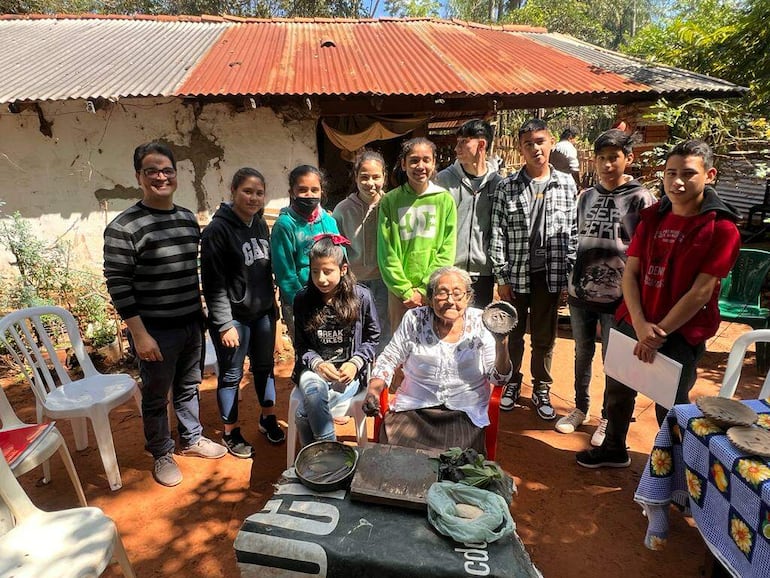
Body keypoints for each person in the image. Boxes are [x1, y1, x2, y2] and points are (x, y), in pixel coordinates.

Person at [576, 140, 741, 469]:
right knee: (618, 390)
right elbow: (631, 272)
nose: (677, 182)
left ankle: (674, 471)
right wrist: (639, 323)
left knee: (672, 406)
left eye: (688, 174)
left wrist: (659, 331)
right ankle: (613, 448)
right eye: (671, 173)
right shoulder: (652, 217)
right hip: (634, 320)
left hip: (680, 332)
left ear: (709, 175)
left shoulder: (721, 228)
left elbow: (700, 292)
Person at [103, 142, 226, 487]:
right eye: (152, 171)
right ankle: (161, 452)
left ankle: (191, 438)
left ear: (176, 174)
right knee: (156, 394)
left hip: (190, 323)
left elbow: (191, 273)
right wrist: (140, 334)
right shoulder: (124, 227)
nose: (161, 177)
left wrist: (201, 316)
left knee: (188, 386)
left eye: (167, 170)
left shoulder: (188, 219)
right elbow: (119, 284)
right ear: (138, 177)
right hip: (155, 329)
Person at [555, 130, 655, 442]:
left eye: (614, 157)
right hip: (581, 292)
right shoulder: (586, 196)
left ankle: (609, 418)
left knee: (615, 360)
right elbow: (575, 238)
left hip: (620, 298)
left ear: (629, 158)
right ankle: (580, 408)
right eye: (601, 158)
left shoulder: (642, 199)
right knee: (581, 352)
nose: (607, 164)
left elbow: (648, 251)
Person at [363, 266, 512, 453]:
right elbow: (389, 358)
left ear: (468, 298)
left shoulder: (482, 322)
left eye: (458, 294)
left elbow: (499, 379)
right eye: (442, 293)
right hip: (414, 409)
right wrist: (373, 391)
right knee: (398, 460)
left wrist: (502, 343)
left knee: (457, 464)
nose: (450, 301)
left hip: (464, 412)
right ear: (431, 298)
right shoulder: (415, 319)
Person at [490, 118, 578, 420]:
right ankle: (513, 383)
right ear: (520, 148)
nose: (535, 148)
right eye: (528, 143)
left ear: (550, 142)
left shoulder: (566, 184)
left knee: (545, 336)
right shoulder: (507, 187)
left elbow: (573, 232)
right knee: (513, 334)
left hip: (550, 275)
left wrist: (567, 276)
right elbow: (497, 232)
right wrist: (501, 275)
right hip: (516, 274)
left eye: (540, 141)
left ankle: (542, 387)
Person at [200, 168, 285, 458]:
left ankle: (267, 418)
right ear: (233, 191)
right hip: (233, 319)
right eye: (247, 191)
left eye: (259, 193)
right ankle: (231, 432)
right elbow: (212, 283)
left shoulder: (260, 224)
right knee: (231, 375)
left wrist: (273, 313)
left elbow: (266, 272)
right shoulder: (216, 231)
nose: (253, 198)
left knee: (264, 368)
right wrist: (224, 324)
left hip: (262, 314)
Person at [292, 235, 380, 447]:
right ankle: (330, 454)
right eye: (315, 272)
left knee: (303, 415)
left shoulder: (361, 298)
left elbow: (373, 337)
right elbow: (302, 345)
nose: (321, 279)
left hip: (346, 375)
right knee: (313, 391)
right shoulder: (303, 300)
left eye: (327, 271)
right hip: (313, 372)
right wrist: (318, 364)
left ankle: (317, 459)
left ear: (343, 269)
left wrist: (355, 363)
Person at [378, 137, 457, 333]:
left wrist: (424, 289)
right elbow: (386, 251)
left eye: (426, 160)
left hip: (434, 290)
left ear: (434, 162)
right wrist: (404, 289)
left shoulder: (444, 200)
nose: (420, 166)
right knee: (401, 346)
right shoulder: (390, 201)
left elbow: (447, 249)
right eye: (413, 160)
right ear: (403, 164)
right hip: (399, 293)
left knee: (433, 345)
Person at [435, 119, 502, 307]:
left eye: (463, 142)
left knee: (478, 326)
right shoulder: (443, 180)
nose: (457, 148)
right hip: (450, 269)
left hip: (483, 273)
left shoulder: (498, 184)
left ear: (481, 144)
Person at [271, 165, 339, 341]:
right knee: (307, 352)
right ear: (291, 192)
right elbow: (285, 274)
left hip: (330, 298)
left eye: (314, 190)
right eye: (302, 190)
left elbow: (340, 258)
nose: (309, 195)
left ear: (321, 192)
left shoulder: (329, 222)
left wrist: (335, 296)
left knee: (332, 348)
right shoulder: (284, 226)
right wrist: (302, 303)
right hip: (300, 302)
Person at [333, 150, 391, 351]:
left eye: (376, 177)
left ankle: (379, 374)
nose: (371, 183)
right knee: (355, 327)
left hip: (385, 280)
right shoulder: (343, 209)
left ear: (385, 176)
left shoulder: (390, 204)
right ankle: (357, 372)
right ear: (355, 177)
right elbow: (337, 249)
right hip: (354, 281)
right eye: (364, 177)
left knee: (383, 328)